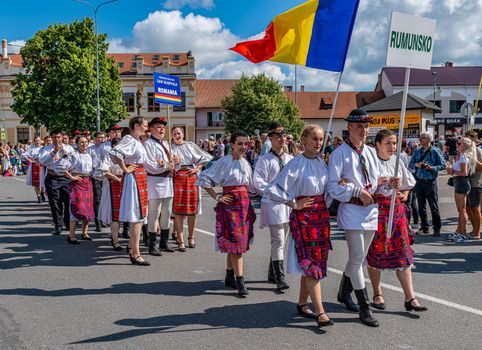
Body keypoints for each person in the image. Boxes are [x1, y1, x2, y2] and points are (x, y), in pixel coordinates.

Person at [328, 109, 399, 328]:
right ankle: (365, 306)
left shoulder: (369, 152)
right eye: (359, 126)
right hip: (352, 211)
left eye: (366, 126)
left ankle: (344, 291)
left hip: (371, 211)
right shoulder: (339, 153)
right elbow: (333, 186)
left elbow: (376, 183)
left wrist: (389, 185)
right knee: (358, 258)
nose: (363, 130)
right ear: (349, 127)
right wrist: (357, 192)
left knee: (358, 257)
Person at [264, 125, 334, 327]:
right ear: (303, 140)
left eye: (321, 139)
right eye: (314, 139)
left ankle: (303, 303)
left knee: (313, 263)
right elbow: (275, 188)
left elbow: (328, 190)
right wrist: (294, 203)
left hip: (321, 217)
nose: (318, 143)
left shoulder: (322, 163)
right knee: (311, 263)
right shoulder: (296, 164)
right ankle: (321, 312)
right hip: (304, 218)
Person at [366, 129, 427, 313]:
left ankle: (410, 297)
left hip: (397, 212)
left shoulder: (397, 161)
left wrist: (403, 193)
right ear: (377, 144)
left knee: (403, 253)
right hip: (378, 212)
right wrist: (380, 181)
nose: (392, 147)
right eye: (388, 143)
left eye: (394, 143)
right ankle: (377, 293)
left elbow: (408, 185)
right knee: (376, 253)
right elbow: (364, 186)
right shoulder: (371, 162)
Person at [197, 131, 256, 298]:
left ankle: (229, 275)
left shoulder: (246, 163)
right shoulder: (224, 161)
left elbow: (252, 186)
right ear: (232, 145)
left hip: (244, 205)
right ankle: (240, 282)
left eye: (246, 144)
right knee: (237, 246)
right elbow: (204, 178)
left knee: (236, 243)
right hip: (230, 205)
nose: (243, 147)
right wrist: (217, 196)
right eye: (240, 144)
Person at [253, 121, 293, 291]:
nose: (282, 139)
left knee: (283, 240)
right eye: (278, 136)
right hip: (274, 204)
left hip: (289, 205)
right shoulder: (265, 159)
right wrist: (274, 192)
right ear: (270, 138)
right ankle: (280, 277)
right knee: (278, 241)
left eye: (283, 136)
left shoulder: (290, 159)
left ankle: (272, 271)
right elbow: (258, 182)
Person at [110, 116, 150, 266]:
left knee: (139, 217)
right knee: (137, 218)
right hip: (134, 179)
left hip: (140, 177)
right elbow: (115, 153)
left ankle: (132, 247)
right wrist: (125, 168)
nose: (146, 128)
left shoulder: (138, 141)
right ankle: (135, 253)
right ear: (137, 125)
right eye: (145, 125)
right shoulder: (129, 139)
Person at [172, 126, 213, 250]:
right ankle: (180, 240)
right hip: (177, 178)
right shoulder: (169, 148)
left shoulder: (190, 145)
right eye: (174, 134)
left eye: (178, 133)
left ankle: (191, 236)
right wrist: (173, 162)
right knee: (178, 211)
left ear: (183, 134)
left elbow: (205, 158)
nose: (177, 136)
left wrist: (196, 168)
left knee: (191, 210)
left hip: (191, 177)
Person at [142, 117, 178, 255]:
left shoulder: (167, 144)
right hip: (155, 183)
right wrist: (165, 165)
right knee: (154, 213)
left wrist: (176, 160)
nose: (162, 129)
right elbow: (149, 165)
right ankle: (152, 244)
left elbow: (172, 163)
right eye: (158, 127)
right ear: (151, 129)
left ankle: (164, 241)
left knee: (167, 213)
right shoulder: (148, 144)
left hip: (168, 182)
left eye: (163, 127)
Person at [408, 132, 446, 236]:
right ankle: (424, 227)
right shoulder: (416, 151)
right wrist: (417, 164)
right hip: (419, 181)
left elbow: (443, 165)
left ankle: (436, 228)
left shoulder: (435, 151)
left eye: (423, 138)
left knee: (433, 206)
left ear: (429, 140)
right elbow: (410, 164)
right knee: (421, 206)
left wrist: (432, 168)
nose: (420, 139)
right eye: (420, 138)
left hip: (430, 181)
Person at [39, 129, 75, 235]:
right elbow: (42, 161)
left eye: (59, 137)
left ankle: (68, 223)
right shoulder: (46, 149)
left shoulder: (69, 148)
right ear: (51, 137)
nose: (57, 139)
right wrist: (54, 151)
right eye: (55, 137)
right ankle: (58, 225)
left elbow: (73, 161)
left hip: (66, 178)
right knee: (55, 203)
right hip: (52, 177)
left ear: (62, 137)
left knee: (68, 202)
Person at [62, 136, 95, 244]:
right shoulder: (73, 155)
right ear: (76, 144)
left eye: (86, 142)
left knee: (88, 209)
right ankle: (71, 235)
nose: (84, 144)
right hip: (77, 183)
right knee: (76, 207)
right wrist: (72, 177)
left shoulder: (90, 155)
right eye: (81, 142)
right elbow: (63, 167)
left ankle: (85, 233)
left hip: (88, 182)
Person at [446, 137, 477, 242]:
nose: (457, 145)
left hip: (461, 182)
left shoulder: (464, 157)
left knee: (462, 210)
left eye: (459, 144)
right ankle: (459, 232)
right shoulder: (462, 156)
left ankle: (463, 233)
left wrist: (452, 170)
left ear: (464, 146)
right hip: (460, 182)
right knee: (461, 210)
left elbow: (464, 173)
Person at [96, 137, 124, 251]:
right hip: (113, 186)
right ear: (112, 146)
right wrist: (116, 178)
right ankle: (115, 240)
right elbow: (103, 170)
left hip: (125, 185)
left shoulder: (125, 156)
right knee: (114, 215)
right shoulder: (109, 156)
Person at [463, 131, 482, 240]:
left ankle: (477, 232)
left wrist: (472, 159)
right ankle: (474, 228)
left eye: (468, 139)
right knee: (468, 208)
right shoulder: (464, 151)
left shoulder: (478, 151)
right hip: (466, 183)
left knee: (475, 208)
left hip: (475, 183)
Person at [88, 131, 107, 232]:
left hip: (107, 177)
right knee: (97, 200)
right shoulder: (90, 149)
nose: (102, 139)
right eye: (100, 137)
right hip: (96, 177)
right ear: (95, 139)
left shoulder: (107, 148)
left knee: (105, 199)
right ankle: (97, 222)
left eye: (103, 137)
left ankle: (103, 219)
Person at [23, 136, 44, 203]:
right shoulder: (31, 149)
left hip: (42, 166)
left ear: (41, 141)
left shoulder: (43, 148)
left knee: (43, 181)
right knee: (36, 183)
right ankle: (38, 197)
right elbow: (24, 155)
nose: (37, 142)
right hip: (34, 167)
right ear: (34, 141)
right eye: (36, 140)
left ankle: (42, 192)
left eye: (38, 140)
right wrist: (30, 160)